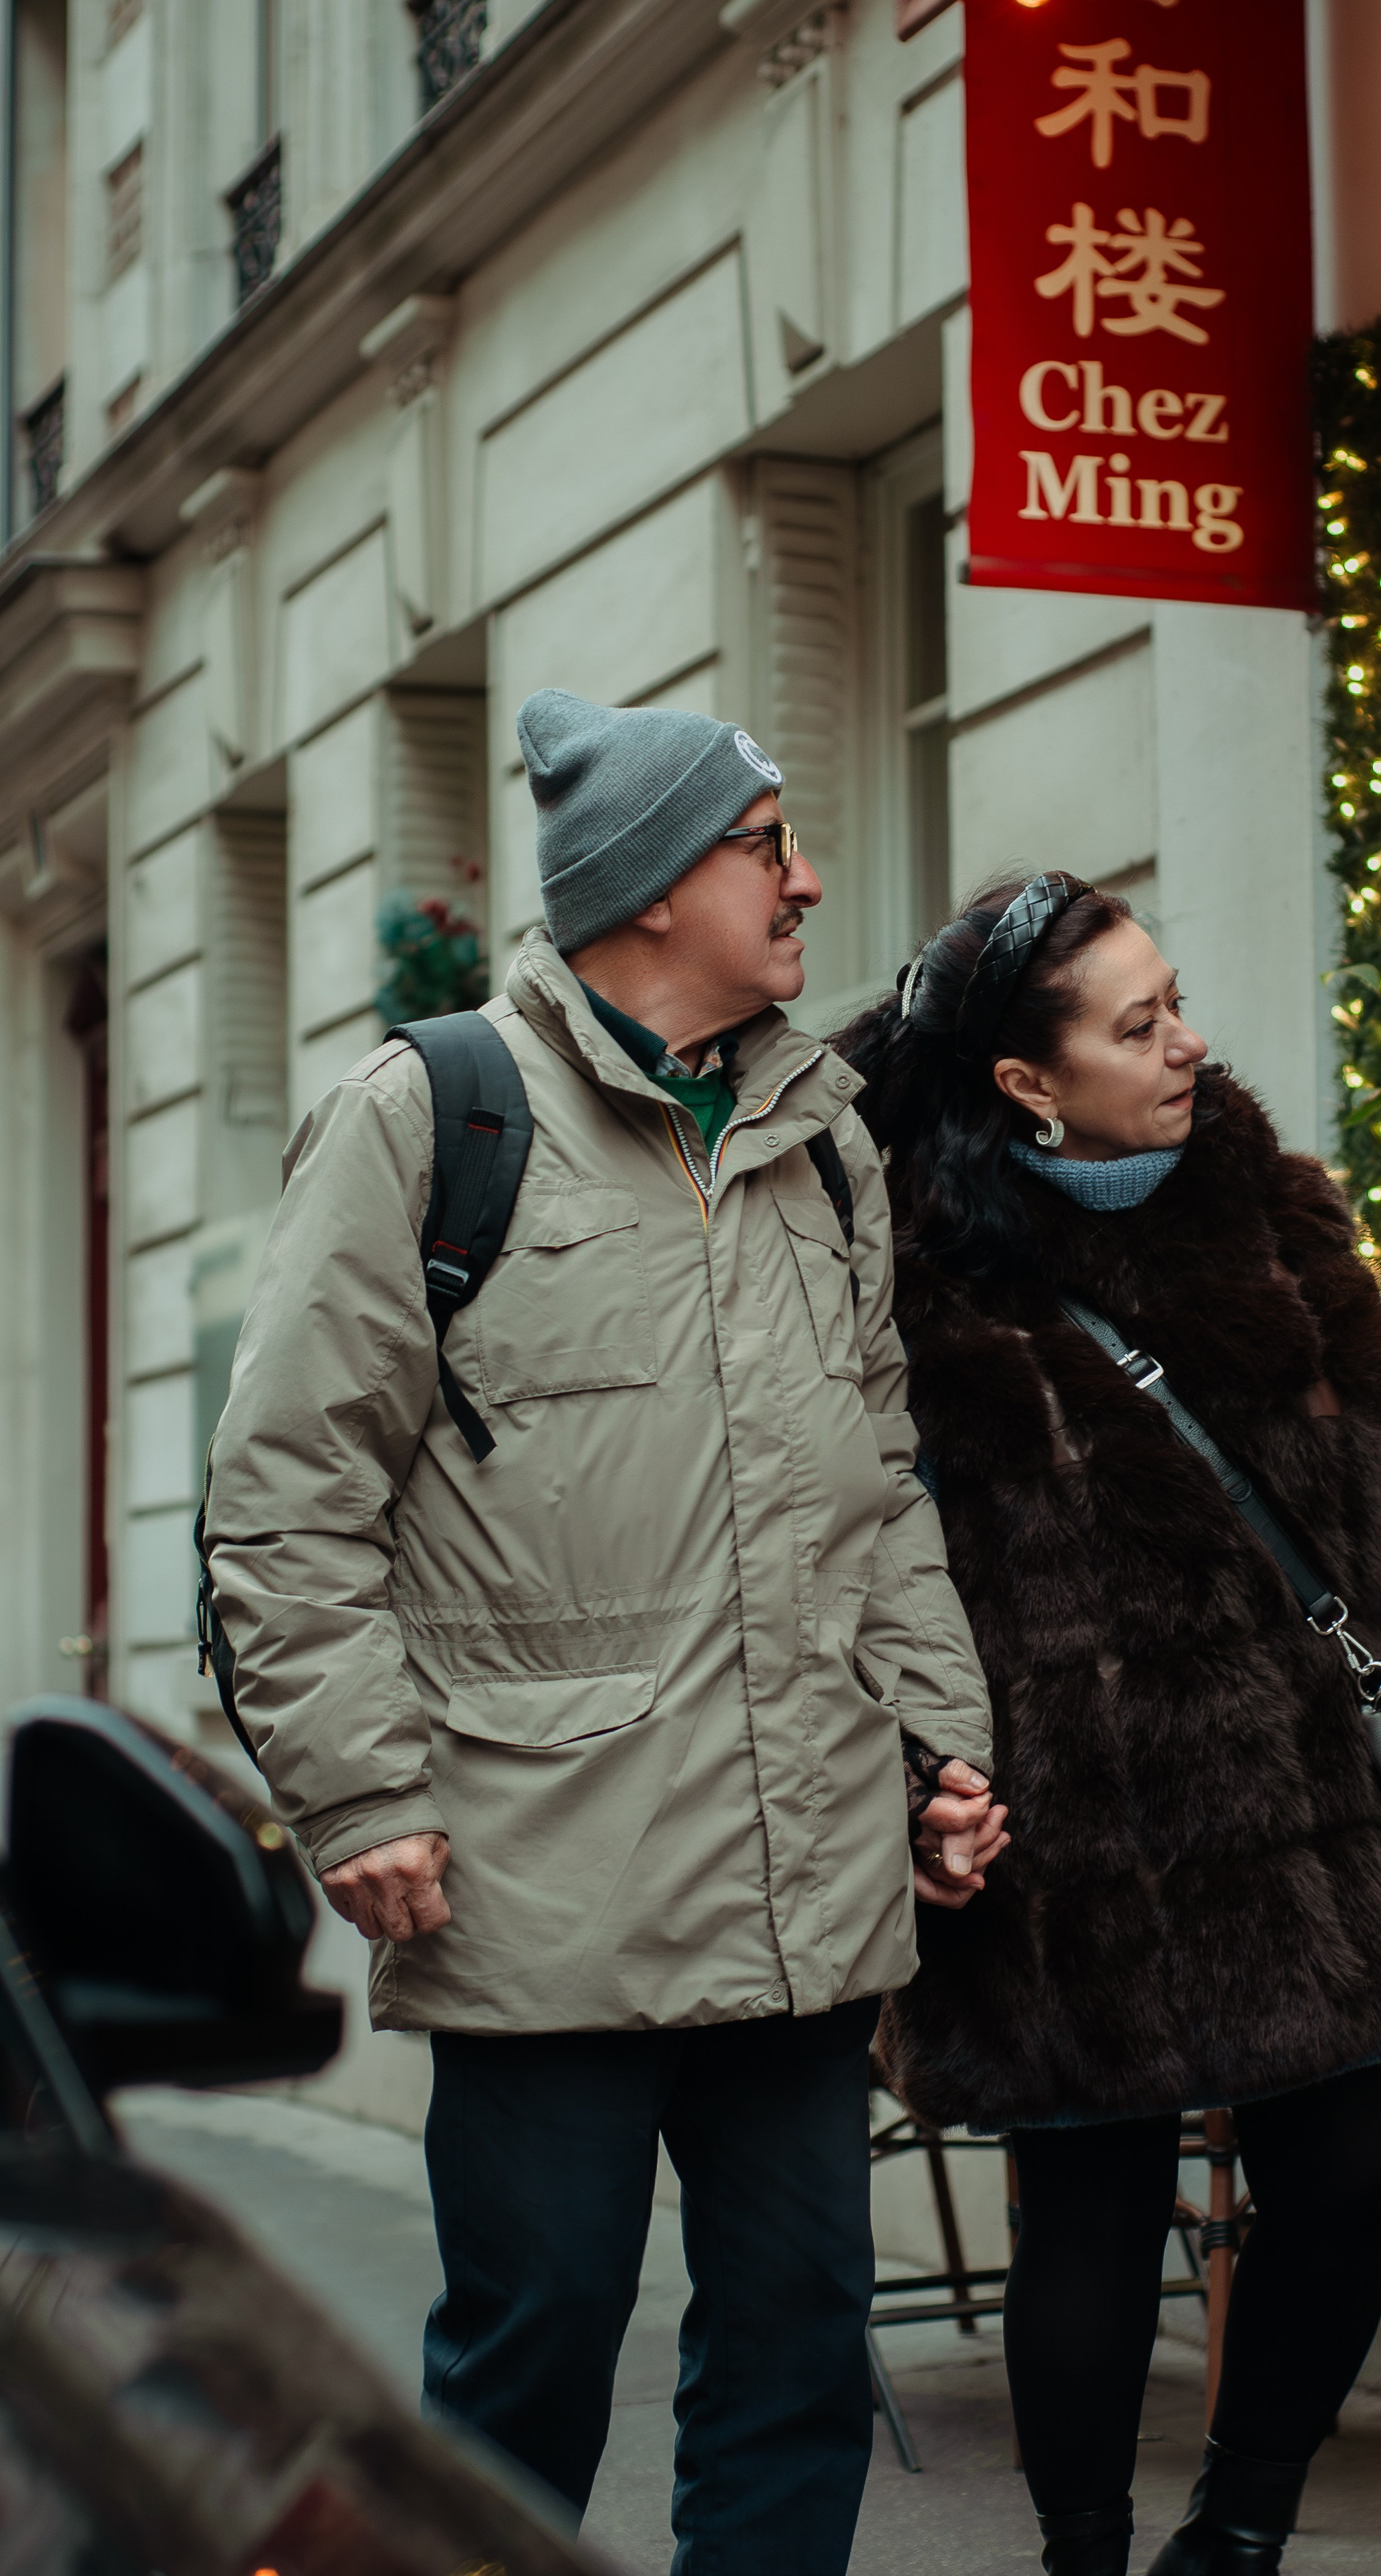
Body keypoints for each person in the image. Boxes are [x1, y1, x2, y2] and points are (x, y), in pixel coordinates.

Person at [204, 690, 1005, 2575]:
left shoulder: (826, 1142)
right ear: (650, 887)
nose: (806, 878)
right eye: (767, 843)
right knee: (535, 2358)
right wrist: (358, 1791)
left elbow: (879, 1483)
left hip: (807, 1880)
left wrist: (942, 1746)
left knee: (805, 2354)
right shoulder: (436, 1114)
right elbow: (288, 1491)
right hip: (538, 1884)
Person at [834, 872, 1381, 2576]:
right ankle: (1086, 2558)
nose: (1185, 1039)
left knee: (1345, 2179)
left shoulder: (1274, 1221)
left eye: (1174, 998)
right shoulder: (907, 1292)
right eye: (1135, 1023)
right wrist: (913, 1780)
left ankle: (1243, 2527)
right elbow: (847, 1561)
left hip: (1311, 1821)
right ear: (1025, 1084)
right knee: (1094, 2216)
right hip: (1062, 1838)